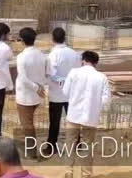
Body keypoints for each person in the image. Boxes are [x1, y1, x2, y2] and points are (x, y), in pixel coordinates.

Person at [62, 50, 110, 178]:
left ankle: (68, 172)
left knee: (70, 144)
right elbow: (106, 98)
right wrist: (95, 106)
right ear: (96, 63)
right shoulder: (102, 77)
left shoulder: (74, 73)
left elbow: (65, 92)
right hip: (91, 117)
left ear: (83, 60)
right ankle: (86, 174)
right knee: (88, 145)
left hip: (73, 115)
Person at [45, 27, 81, 153]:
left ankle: (51, 146)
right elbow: (78, 72)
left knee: (54, 121)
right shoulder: (74, 53)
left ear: (53, 39)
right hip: (71, 93)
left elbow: (52, 75)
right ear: (64, 38)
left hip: (57, 93)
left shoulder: (52, 55)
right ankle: (77, 143)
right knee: (73, 119)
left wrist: (62, 81)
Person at [15, 27, 47, 159]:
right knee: (29, 124)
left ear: (22, 40)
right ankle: (31, 150)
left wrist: (36, 87)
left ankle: (32, 153)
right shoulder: (41, 54)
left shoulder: (22, 57)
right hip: (36, 95)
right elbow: (44, 73)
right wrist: (40, 87)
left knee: (27, 125)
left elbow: (23, 78)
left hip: (26, 96)